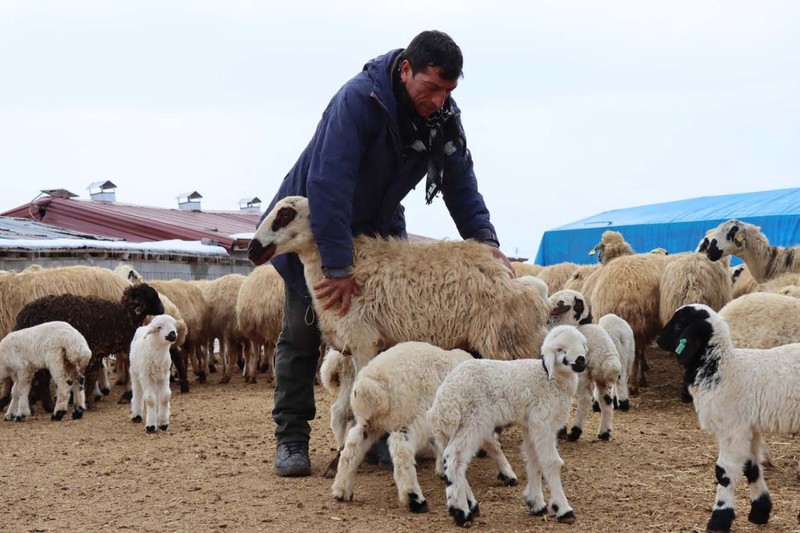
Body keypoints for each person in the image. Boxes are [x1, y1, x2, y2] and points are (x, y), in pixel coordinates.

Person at [261, 30, 514, 477]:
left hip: (377, 235)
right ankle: (292, 437)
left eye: (448, 92)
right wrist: (336, 267)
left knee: (388, 339)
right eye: (431, 87)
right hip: (313, 232)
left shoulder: (441, 118)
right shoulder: (360, 101)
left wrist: (486, 241)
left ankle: (379, 431)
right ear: (405, 70)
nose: (438, 100)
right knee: (304, 330)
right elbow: (329, 186)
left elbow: (459, 182)